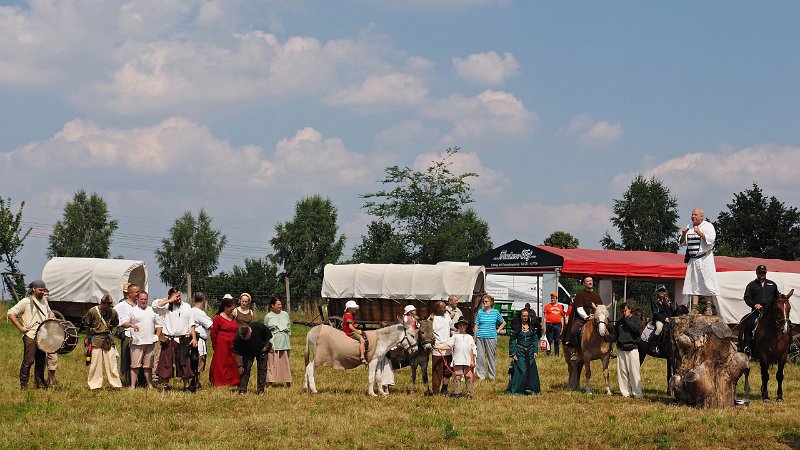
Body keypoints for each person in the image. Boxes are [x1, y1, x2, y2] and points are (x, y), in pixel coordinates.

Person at [7, 280, 56, 390]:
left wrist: (51, 318)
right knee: (28, 361)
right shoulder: (25, 301)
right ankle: (24, 384)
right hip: (30, 335)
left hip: (42, 336)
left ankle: (40, 383)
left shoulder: (44, 300)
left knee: (41, 361)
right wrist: (21, 328)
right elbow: (10, 313)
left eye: (44, 290)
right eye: (40, 290)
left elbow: (49, 312)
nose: (43, 292)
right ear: (33, 289)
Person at [152, 288, 197, 390]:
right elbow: (155, 306)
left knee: (184, 363)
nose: (178, 298)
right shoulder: (166, 306)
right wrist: (169, 300)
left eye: (179, 295)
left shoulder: (186, 306)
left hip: (183, 338)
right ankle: (165, 385)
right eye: (175, 296)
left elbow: (191, 323)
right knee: (166, 363)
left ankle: (186, 386)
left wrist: (194, 338)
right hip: (169, 339)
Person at [680, 208, 719, 315]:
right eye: (692, 214)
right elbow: (682, 243)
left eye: (695, 214)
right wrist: (683, 234)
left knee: (708, 281)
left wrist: (699, 232)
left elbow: (710, 240)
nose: (693, 216)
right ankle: (694, 307)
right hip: (693, 259)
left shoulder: (708, 226)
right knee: (694, 282)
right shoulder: (689, 227)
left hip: (705, 258)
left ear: (701, 216)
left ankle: (709, 307)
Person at [83, 294, 123, 390]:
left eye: (109, 305)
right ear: (101, 302)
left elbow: (115, 324)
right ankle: (95, 385)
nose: (107, 306)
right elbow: (87, 325)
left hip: (108, 340)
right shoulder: (92, 311)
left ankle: (116, 385)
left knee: (112, 364)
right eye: (105, 304)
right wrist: (87, 338)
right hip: (96, 339)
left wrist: (111, 334)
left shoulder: (113, 312)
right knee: (95, 364)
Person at [121, 290, 159, 390]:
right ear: (137, 299)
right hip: (136, 342)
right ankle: (132, 385)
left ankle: (150, 385)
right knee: (135, 365)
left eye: (145, 299)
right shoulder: (133, 310)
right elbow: (123, 323)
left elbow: (159, 324)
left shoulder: (152, 311)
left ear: (147, 299)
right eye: (141, 299)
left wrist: (157, 336)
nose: (143, 301)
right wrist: (131, 325)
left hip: (149, 342)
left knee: (148, 366)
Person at [739, 265, 779, 355]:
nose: (762, 274)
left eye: (763, 272)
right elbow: (747, 297)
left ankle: (791, 345)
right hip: (757, 312)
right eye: (760, 272)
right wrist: (754, 304)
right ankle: (747, 347)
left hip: (770, 312)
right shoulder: (751, 285)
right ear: (756, 273)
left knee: (785, 323)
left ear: (766, 273)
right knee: (749, 323)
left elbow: (777, 297)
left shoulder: (772, 284)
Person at [564, 276, 602, 361]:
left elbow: (600, 308)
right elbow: (579, 308)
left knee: (608, 327)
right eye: (587, 281)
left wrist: (594, 315)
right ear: (584, 283)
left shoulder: (597, 296)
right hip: (581, 319)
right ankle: (574, 351)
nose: (590, 282)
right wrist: (586, 317)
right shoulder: (580, 295)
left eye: (591, 281)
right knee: (574, 331)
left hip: (595, 318)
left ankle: (609, 349)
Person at [505, 308, 541, 395]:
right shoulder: (516, 327)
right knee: (522, 370)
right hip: (520, 351)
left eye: (526, 316)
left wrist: (535, 351)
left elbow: (535, 339)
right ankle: (518, 390)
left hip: (530, 352)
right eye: (523, 316)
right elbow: (512, 340)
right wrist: (513, 353)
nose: (525, 317)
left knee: (531, 371)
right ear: (520, 316)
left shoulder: (532, 327)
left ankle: (531, 389)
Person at [233, 322, 272, 394]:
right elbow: (236, 352)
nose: (245, 340)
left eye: (247, 338)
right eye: (243, 339)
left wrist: (266, 347)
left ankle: (260, 390)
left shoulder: (259, 327)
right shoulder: (238, 337)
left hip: (261, 348)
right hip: (248, 351)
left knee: (262, 369)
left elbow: (268, 336)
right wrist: (239, 366)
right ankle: (242, 390)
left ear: (250, 331)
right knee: (245, 368)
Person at [473, 294, 506, 381]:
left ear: (491, 302)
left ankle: (492, 376)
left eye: (486, 301)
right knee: (480, 356)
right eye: (483, 301)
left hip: (491, 336)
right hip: (480, 336)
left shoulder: (495, 312)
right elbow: (476, 325)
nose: (484, 303)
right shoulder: (480, 312)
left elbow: (503, 322)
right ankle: (481, 375)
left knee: (491, 356)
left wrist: (498, 330)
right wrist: (475, 338)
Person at [210, 296, 240, 387]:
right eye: (231, 309)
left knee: (232, 361)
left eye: (233, 309)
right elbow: (213, 333)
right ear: (225, 307)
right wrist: (215, 345)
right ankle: (219, 381)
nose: (232, 310)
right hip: (222, 343)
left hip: (233, 342)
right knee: (221, 362)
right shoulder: (218, 318)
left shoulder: (234, 318)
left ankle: (232, 380)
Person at [114, 283, 139, 387]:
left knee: (137, 358)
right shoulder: (121, 306)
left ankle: (138, 379)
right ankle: (125, 379)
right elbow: (113, 316)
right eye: (136, 292)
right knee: (126, 357)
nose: (138, 294)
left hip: (139, 336)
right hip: (127, 334)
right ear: (130, 293)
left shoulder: (138, 305)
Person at [264, 295, 292, 388]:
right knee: (272, 362)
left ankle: (288, 381)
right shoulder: (268, 316)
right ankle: (270, 382)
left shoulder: (285, 314)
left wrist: (287, 336)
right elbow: (265, 330)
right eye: (278, 304)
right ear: (272, 305)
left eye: (281, 304)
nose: (280, 306)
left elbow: (288, 327)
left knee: (285, 362)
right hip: (274, 341)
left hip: (284, 341)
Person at [616, 302, 642, 398]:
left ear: (630, 310)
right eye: (622, 311)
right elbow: (615, 335)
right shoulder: (619, 322)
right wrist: (605, 337)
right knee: (622, 372)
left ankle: (637, 393)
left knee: (634, 372)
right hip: (621, 349)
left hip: (632, 349)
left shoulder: (636, 319)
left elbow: (636, 330)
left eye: (625, 310)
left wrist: (626, 320)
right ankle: (625, 392)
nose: (624, 313)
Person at [448, 317, 476, 398]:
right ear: (458, 326)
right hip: (458, 360)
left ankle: (469, 393)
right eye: (460, 325)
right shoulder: (455, 336)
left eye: (464, 325)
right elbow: (449, 345)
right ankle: (456, 393)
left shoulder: (469, 337)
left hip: (467, 361)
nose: (462, 327)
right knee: (457, 377)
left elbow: (471, 349)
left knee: (469, 377)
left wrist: (472, 361)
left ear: (466, 326)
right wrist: (440, 348)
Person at [191, 292, 213, 390]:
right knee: (198, 362)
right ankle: (195, 382)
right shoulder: (198, 312)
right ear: (204, 301)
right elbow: (210, 325)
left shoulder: (190, 310)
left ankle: (195, 382)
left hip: (195, 340)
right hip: (199, 341)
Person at [431, 300, 453, 395]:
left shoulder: (447, 316)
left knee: (448, 371)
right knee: (437, 371)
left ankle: (444, 389)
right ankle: (435, 391)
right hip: (438, 349)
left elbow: (449, 328)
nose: (445, 309)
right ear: (437, 309)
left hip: (448, 348)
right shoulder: (432, 319)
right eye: (443, 308)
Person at [648, 285, 673, 353]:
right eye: (660, 290)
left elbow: (671, 312)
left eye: (663, 290)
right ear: (657, 292)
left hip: (669, 319)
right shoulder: (654, 300)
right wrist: (664, 319)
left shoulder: (668, 300)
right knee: (659, 329)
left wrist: (669, 305)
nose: (661, 292)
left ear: (665, 292)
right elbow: (656, 313)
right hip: (659, 319)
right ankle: (653, 346)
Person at [343, 300, 368, 365]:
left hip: (349, 331)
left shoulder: (347, 315)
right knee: (362, 340)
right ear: (350, 308)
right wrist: (358, 331)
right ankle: (362, 356)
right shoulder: (349, 316)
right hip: (350, 333)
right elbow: (350, 327)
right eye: (354, 308)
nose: (355, 309)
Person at [543, 292, 565, 357]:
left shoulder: (560, 307)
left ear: (556, 299)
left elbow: (561, 317)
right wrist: (544, 327)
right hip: (549, 325)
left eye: (554, 298)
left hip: (557, 325)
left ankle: (557, 355)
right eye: (551, 298)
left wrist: (562, 326)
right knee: (549, 340)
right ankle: (548, 354)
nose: (552, 299)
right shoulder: (547, 306)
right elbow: (545, 317)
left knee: (557, 341)